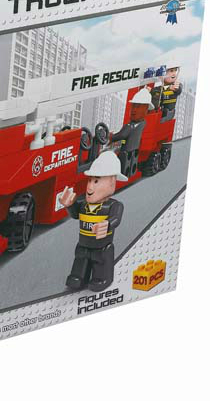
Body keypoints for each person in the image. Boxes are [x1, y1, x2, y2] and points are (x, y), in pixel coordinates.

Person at [59, 151, 126, 292]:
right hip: (83, 244)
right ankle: (79, 276)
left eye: (96, 181)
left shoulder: (113, 206)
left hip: (102, 246)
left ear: (112, 182)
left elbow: (116, 219)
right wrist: (70, 205)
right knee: (80, 258)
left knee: (101, 260)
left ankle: (102, 278)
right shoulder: (84, 205)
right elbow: (76, 214)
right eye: (89, 181)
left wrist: (107, 224)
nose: (89, 187)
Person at [110, 88, 154, 178]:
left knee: (122, 162)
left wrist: (111, 137)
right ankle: (129, 174)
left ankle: (121, 174)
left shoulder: (129, 126)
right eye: (133, 106)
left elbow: (121, 135)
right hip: (134, 148)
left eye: (138, 107)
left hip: (125, 149)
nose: (134, 110)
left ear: (146, 110)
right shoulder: (143, 123)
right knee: (130, 163)